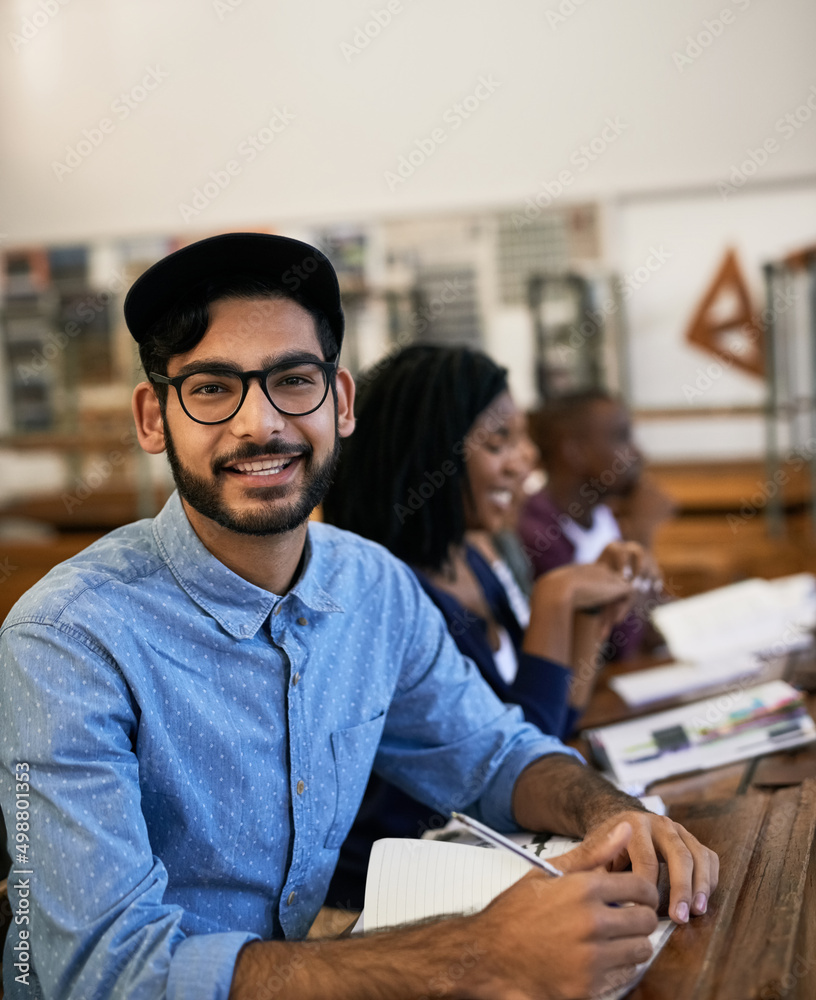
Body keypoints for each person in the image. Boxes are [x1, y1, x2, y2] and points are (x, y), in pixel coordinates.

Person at [0, 234, 717, 1000]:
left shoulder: (372, 584)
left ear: (339, 403)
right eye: (211, 388)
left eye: (292, 380)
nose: (259, 424)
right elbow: (108, 974)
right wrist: (480, 953)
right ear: (153, 418)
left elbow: (491, 754)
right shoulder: (67, 641)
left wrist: (613, 813)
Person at [321, 345, 657, 906]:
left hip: (490, 849)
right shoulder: (393, 594)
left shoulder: (473, 557)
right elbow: (507, 762)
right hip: (401, 888)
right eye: (498, 441)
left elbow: (555, 721)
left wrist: (593, 615)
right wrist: (556, 597)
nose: (526, 460)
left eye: (522, 438)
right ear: (428, 455)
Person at [519, 391, 672, 659]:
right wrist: (642, 534)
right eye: (621, 437)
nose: (637, 454)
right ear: (574, 452)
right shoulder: (538, 536)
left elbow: (649, 616)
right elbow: (615, 645)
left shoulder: (601, 515)